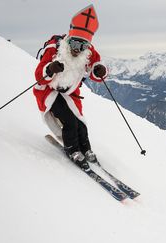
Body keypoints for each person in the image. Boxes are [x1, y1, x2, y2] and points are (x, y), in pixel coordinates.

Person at [33, 5, 107, 170]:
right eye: (74, 43)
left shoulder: (88, 51)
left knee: (80, 123)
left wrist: (99, 70)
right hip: (48, 91)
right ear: (69, 38)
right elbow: (39, 75)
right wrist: (50, 69)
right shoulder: (54, 48)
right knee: (70, 120)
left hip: (70, 93)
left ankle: (86, 149)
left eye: (82, 46)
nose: (76, 49)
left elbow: (96, 68)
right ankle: (73, 150)